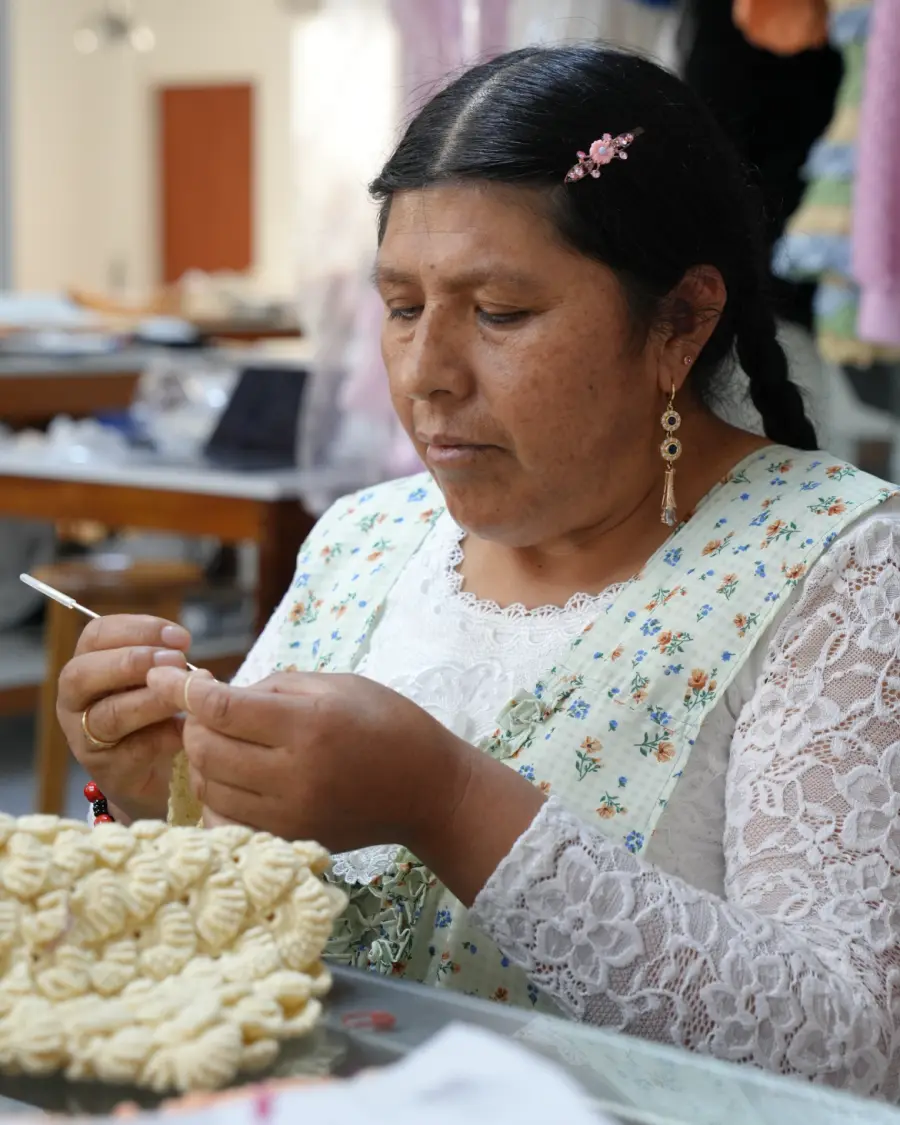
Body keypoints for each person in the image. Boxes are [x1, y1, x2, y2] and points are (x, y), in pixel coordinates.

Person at [57, 46, 900, 1098]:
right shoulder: (366, 540)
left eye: (499, 312)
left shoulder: (838, 567)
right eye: (402, 306)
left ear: (681, 320)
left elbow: (851, 1055)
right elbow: (238, 940)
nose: (425, 374)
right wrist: (168, 800)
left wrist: (449, 804)